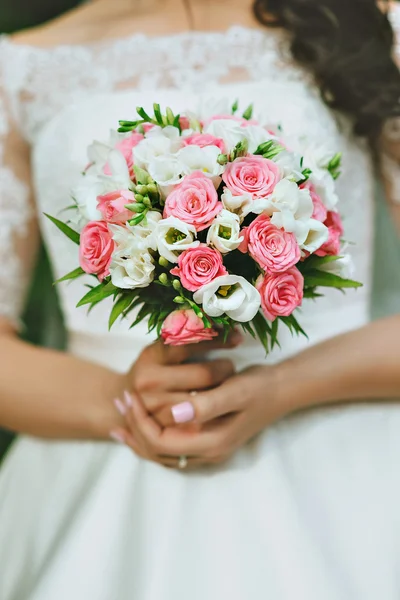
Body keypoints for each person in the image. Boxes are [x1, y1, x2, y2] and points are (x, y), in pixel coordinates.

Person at [0, 0, 399, 597]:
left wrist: (285, 385)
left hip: (345, 458)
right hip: (105, 469)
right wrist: (126, 404)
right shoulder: (21, 68)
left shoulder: (364, 25)